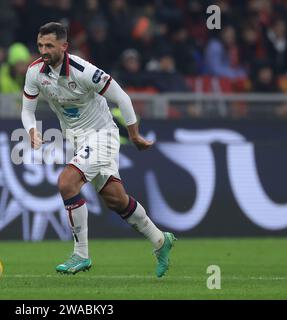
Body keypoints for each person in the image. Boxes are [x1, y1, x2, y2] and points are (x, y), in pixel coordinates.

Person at [21, 22, 176, 277]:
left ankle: (80, 254)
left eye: (49, 45)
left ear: (64, 46)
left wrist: (134, 135)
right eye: (40, 45)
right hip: (79, 141)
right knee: (116, 199)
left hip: (103, 136)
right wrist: (31, 131)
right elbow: (27, 110)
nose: (43, 50)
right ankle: (160, 240)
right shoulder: (35, 72)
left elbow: (122, 98)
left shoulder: (84, 71)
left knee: (66, 183)